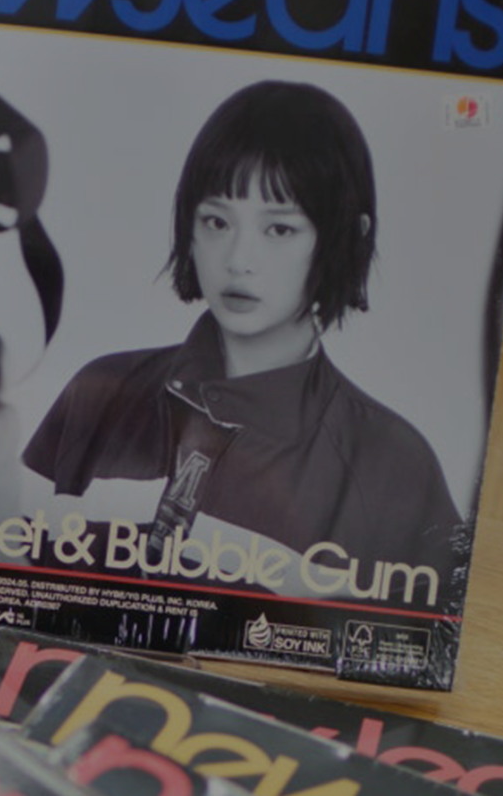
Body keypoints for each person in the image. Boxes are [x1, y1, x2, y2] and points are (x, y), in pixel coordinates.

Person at [23, 81, 462, 594]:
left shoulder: (395, 468)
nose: (237, 260)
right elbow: (6, 570)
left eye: (279, 229)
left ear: (347, 236)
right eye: (216, 221)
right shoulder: (99, 392)